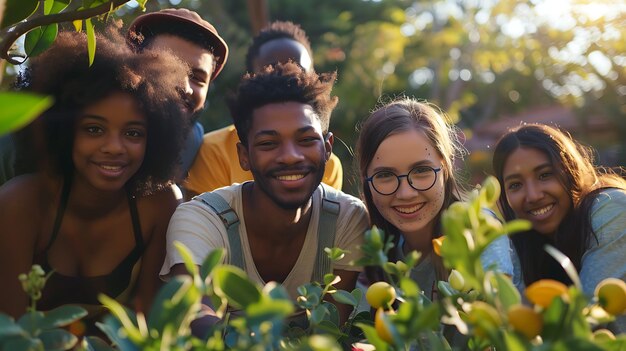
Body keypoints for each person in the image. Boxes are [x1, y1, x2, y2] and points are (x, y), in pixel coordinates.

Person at [0, 29, 189, 323]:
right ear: (63, 132)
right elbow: (7, 331)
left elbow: (152, 330)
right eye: (94, 129)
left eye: (133, 133)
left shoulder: (160, 205)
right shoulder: (20, 203)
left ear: (155, 140)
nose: (114, 147)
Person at [161, 62, 369, 327]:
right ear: (244, 155)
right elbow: (199, 328)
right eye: (268, 143)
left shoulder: (346, 219)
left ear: (327, 148)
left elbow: (330, 332)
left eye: (306, 140)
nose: (291, 157)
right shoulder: (202, 219)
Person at [356, 98, 518, 301]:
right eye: (385, 175)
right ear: (366, 180)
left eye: (422, 170)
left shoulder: (476, 227)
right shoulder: (377, 248)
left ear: (445, 167)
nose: (406, 193)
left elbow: (499, 323)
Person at [184, 21, 343, 198]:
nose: (284, 80)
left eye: (297, 72)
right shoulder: (214, 151)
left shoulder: (327, 164)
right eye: (271, 71)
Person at [492, 123, 626, 332]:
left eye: (545, 175)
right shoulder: (526, 243)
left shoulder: (611, 207)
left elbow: (582, 321)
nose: (533, 195)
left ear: (570, 169)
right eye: (515, 185)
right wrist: (495, 239)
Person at [127, 8, 229, 184]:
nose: (185, 88)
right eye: (169, 69)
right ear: (132, 67)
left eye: (197, 78)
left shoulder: (199, 149)